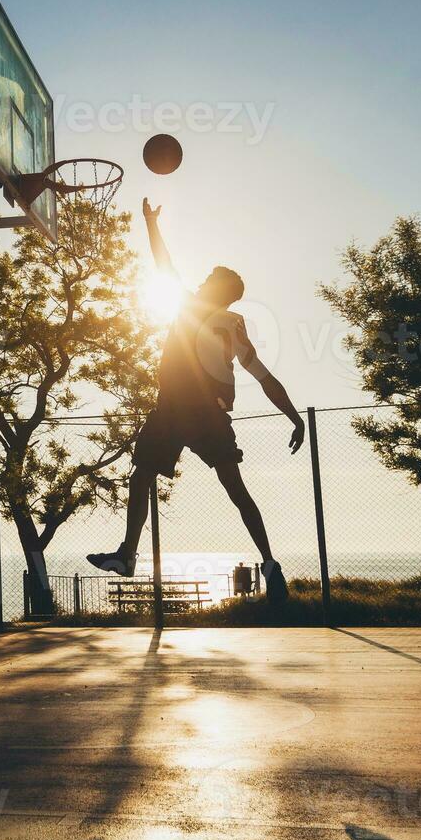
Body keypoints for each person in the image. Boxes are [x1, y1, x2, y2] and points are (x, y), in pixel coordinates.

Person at [86, 199, 306, 609]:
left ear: (221, 290)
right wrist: (294, 417)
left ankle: (130, 553)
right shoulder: (228, 322)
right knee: (185, 480)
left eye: (210, 278)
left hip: (188, 410)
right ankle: (269, 563)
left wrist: (151, 223)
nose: (203, 280)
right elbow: (264, 377)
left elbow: (163, 264)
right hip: (186, 409)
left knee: (155, 477)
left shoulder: (205, 311)